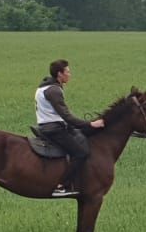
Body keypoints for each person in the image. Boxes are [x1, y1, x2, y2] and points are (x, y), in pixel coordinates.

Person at [35, 59, 104, 196]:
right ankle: (61, 186)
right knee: (81, 152)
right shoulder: (54, 90)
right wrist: (91, 124)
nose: (70, 74)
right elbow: (67, 117)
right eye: (68, 72)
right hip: (54, 129)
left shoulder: (47, 86)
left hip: (51, 125)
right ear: (60, 74)